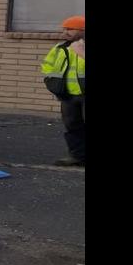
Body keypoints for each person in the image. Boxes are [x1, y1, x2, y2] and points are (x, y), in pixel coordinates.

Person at [40, 15, 86, 167]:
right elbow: (47, 66)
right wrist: (52, 83)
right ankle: (77, 156)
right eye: (64, 29)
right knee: (72, 126)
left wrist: (81, 53)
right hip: (68, 96)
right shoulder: (60, 48)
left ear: (82, 30)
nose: (65, 32)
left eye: (70, 29)